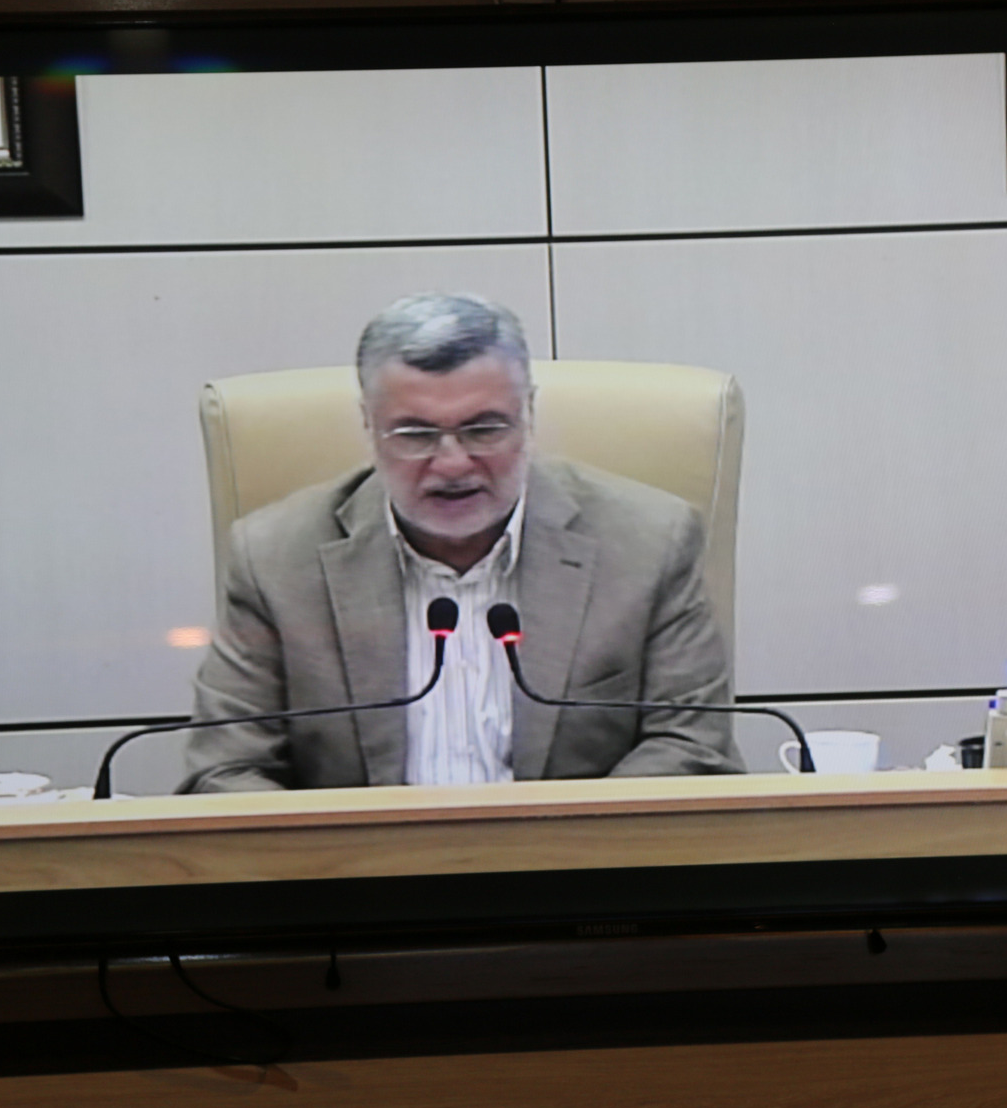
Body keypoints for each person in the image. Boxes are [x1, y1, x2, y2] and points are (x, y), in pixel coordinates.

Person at [184, 292, 745, 790]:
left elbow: (692, 749)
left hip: (578, 870)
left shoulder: (650, 543)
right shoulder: (274, 559)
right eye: (415, 434)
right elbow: (224, 770)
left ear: (529, 414)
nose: (452, 464)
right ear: (369, 424)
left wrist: (551, 856)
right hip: (361, 873)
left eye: (484, 429)